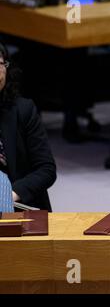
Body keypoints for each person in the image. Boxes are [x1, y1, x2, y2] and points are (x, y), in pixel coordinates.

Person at [0, 42, 56, 211]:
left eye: (0, 64)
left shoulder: (24, 110)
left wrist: (11, 194)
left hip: (20, 205)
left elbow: (46, 169)